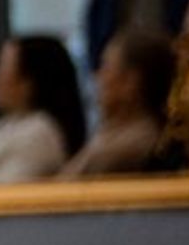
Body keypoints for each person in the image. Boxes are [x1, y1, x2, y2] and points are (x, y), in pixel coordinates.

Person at [0, 35, 85, 185]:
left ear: (28, 83)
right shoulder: (6, 125)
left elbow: (5, 197)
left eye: (3, 67)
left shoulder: (39, 135)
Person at [61, 28, 175, 176]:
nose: (98, 76)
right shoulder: (114, 134)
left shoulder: (124, 148)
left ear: (131, 83)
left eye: (106, 67)